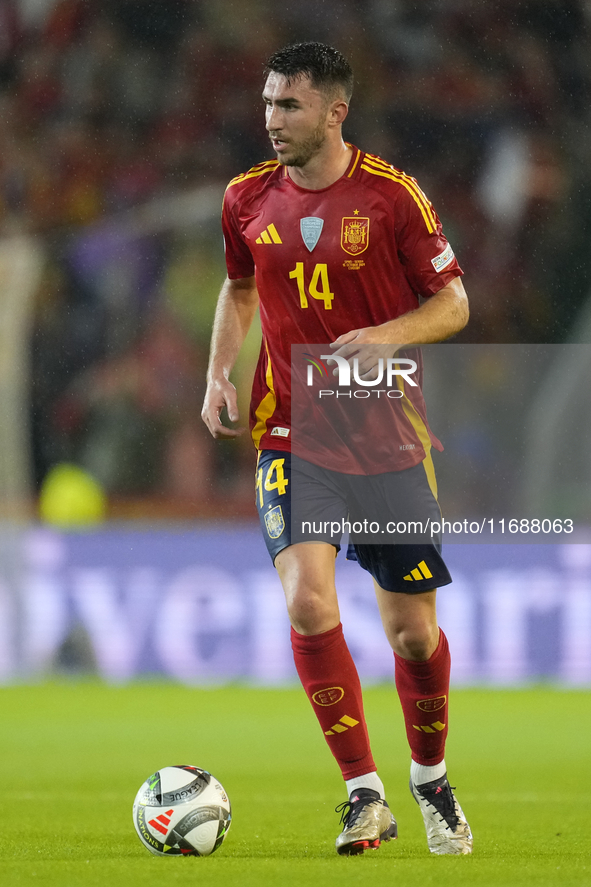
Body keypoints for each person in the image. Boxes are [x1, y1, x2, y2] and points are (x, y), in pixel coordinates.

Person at [202, 41, 472, 857]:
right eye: (267, 103)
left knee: (411, 636)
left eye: (288, 105)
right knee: (308, 601)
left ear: (334, 112)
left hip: (387, 435)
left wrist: (385, 334)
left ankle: (430, 781)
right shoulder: (245, 197)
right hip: (291, 432)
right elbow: (240, 285)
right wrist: (219, 370)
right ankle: (363, 794)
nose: (271, 119)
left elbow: (453, 302)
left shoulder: (393, 198)